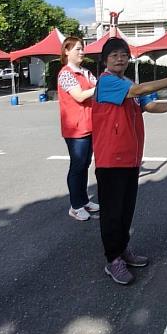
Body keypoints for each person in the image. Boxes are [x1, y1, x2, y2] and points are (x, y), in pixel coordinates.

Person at [92, 37, 167, 285]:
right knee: (112, 213)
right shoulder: (106, 82)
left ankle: (123, 249)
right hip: (110, 159)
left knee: (126, 210)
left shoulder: (127, 81)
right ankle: (113, 259)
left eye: (123, 54)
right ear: (105, 60)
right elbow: (138, 92)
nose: (120, 58)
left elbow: (148, 105)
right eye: (114, 55)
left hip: (130, 158)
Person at [57, 36, 100, 221]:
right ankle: (75, 205)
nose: (82, 52)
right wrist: (102, 87)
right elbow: (80, 96)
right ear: (66, 51)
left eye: (82, 49)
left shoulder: (86, 72)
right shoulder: (65, 74)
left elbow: (97, 87)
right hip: (75, 129)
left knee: (84, 165)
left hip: (89, 125)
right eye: (77, 49)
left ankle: (83, 200)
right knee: (77, 166)